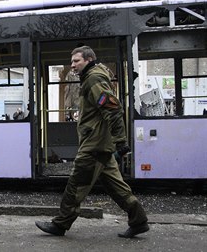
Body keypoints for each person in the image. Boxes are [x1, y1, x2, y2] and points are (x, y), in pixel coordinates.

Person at [35, 46, 149, 238]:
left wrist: (121, 142)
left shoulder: (94, 78)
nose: (72, 65)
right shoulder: (91, 77)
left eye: (76, 61)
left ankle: (60, 224)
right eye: (71, 62)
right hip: (101, 144)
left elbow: (112, 109)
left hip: (94, 145)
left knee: (75, 184)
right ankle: (139, 221)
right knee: (117, 187)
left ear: (88, 60)